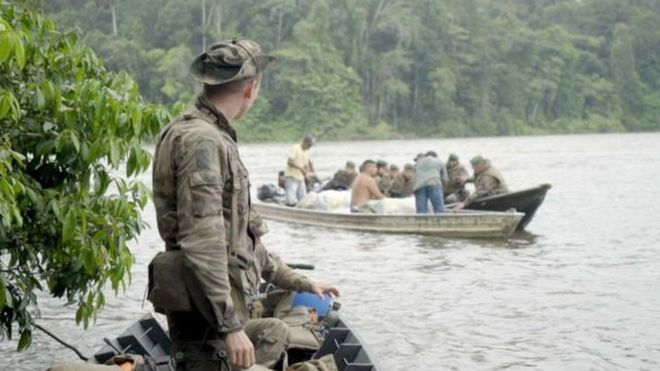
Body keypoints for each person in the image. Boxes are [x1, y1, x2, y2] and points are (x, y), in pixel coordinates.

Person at [150, 38, 339, 371]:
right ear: (252, 89)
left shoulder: (204, 135)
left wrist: (304, 283)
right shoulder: (202, 141)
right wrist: (231, 327)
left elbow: (247, 245)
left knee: (275, 332)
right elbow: (202, 240)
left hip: (214, 310)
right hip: (208, 318)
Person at [284, 136, 315, 206]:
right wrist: (301, 169)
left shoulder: (306, 152)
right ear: (305, 142)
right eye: (309, 145)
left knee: (303, 199)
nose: (310, 147)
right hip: (292, 177)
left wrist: (308, 174)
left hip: (300, 178)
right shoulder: (295, 148)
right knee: (291, 200)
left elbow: (306, 165)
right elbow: (290, 162)